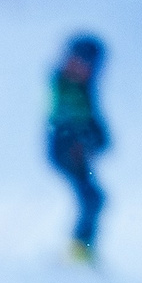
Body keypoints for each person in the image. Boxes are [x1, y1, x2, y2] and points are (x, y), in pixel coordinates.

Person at [48, 32, 110, 262]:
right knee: (91, 197)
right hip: (64, 150)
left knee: (94, 198)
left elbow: (92, 118)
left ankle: (81, 248)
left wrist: (97, 138)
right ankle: (78, 251)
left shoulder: (83, 87)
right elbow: (66, 119)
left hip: (76, 151)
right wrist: (77, 142)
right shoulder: (64, 85)